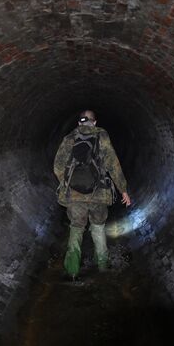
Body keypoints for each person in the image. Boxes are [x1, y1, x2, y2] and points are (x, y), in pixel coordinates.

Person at [53, 110, 131, 281]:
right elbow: (113, 165)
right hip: (99, 194)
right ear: (94, 123)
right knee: (98, 227)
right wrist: (123, 190)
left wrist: (68, 183)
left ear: (79, 123)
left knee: (76, 228)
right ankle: (102, 264)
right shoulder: (102, 137)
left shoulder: (69, 138)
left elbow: (58, 166)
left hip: (74, 195)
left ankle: (73, 270)